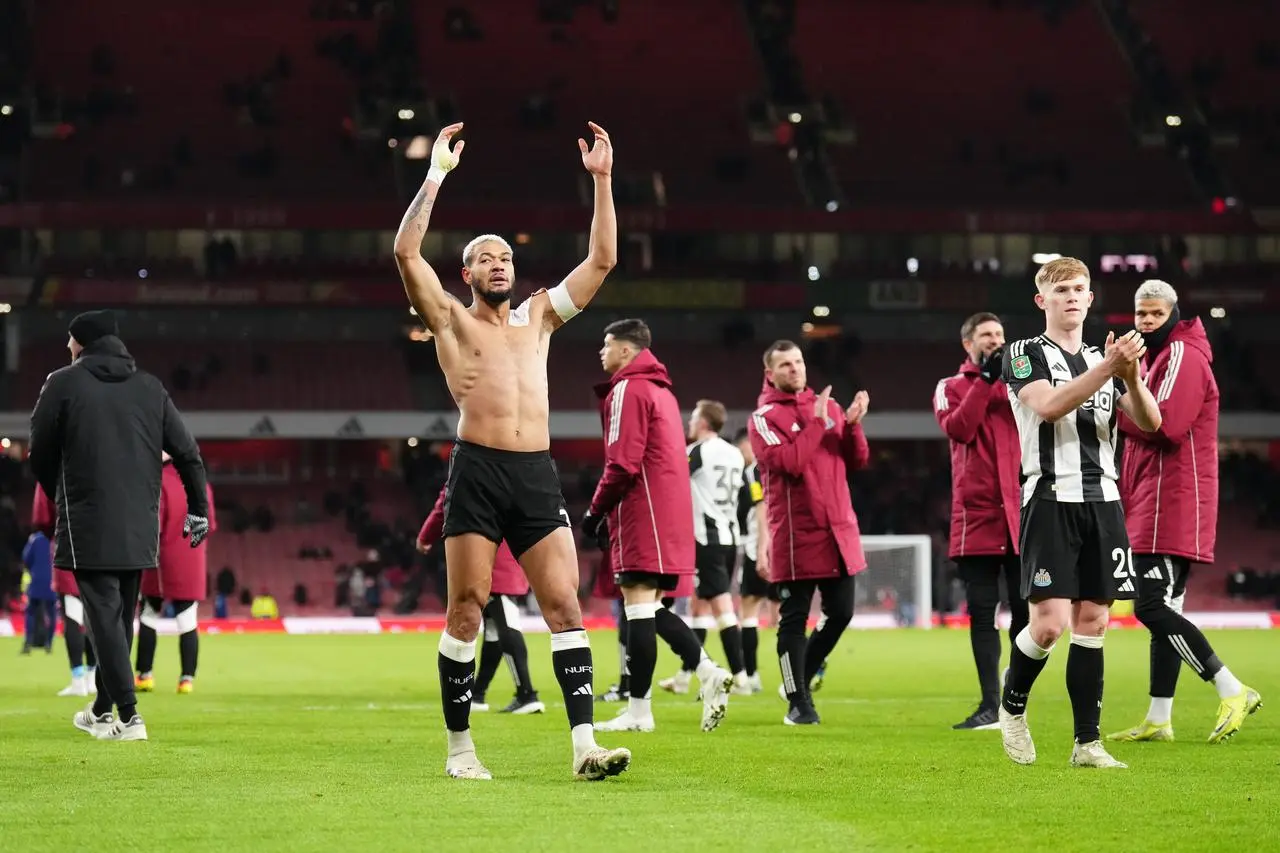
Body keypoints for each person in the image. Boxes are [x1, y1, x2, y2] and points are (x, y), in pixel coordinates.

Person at [393, 121, 629, 781]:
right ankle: (460, 748)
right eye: (486, 258)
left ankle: (585, 744)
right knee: (466, 607)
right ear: (467, 272)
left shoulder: (540, 316)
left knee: (564, 605)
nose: (500, 263)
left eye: (506, 257)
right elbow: (407, 254)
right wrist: (436, 173)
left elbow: (603, 261)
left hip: (535, 473)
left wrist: (603, 181)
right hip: (477, 469)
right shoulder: (450, 318)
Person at [997, 257, 1161, 768]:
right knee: (1047, 626)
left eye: (1080, 289)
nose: (1072, 296)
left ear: (1091, 299)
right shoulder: (1023, 353)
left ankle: (1087, 744)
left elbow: (1151, 421)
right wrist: (1109, 369)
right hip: (1049, 498)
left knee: (1093, 621)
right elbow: (1047, 407)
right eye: (1061, 289)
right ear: (1041, 301)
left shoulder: (1101, 357)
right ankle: (1012, 707)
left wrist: (1130, 377)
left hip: (1104, 501)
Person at [28, 310, 211, 742]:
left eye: (70, 341)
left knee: (104, 619)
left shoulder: (63, 383)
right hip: (139, 523)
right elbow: (188, 452)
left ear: (82, 343)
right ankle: (101, 710)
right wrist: (198, 508)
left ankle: (129, 717)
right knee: (119, 618)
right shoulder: (150, 388)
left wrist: (62, 490)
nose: (67, 349)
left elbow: (39, 450)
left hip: (88, 519)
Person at [1107, 280, 1261, 744]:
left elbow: (1167, 426)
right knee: (1165, 609)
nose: (1147, 322)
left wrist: (1115, 403)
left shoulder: (1180, 356)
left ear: (1174, 314)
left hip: (1169, 501)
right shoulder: (1158, 359)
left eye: (1155, 315)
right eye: (1141, 315)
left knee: (1149, 607)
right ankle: (1159, 718)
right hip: (1155, 498)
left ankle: (1231, 687)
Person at [581, 319, 735, 734]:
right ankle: (707, 672)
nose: (602, 352)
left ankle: (639, 711)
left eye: (607, 344)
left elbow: (623, 463)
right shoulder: (663, 391)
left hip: (641, 512)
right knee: (652, 609)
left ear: (626, 351)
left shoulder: (628, 389)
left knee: (636, 610)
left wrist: (595, 511)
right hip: (670, 515)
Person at [748, 340, 870, 725]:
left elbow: (857, 460)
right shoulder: (763, 419)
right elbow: (790, 462)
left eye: (798, 362)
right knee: (794, 618)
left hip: (838, 530)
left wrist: (851, 426)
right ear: (770, 373)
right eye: (785, 364)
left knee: (841, 613)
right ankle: (799, 703)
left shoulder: (829, 407)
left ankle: (798, 678)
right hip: (796, 534)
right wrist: (818, 422)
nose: (795, 369)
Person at [933, 311, 1028, 730]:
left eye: (1000, 335)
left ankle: (1015, 697)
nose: (995, 340)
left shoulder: (1022, 386)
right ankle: (990, 704)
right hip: (977, 518)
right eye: (987, 335)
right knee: (984, 613)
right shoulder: (950, 387)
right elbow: (960, 429)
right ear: (968, 344)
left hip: (1022, 513)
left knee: (1029, 614)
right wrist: (987, 381)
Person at [417, 482, 544, 715]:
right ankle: (477, 694)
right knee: (495, 628)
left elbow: (446, 498)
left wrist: (426, 535)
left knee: (506, 623)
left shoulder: (472, 462)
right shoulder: (514, 464)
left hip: (491, 555)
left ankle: (527, 694)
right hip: (513, 550)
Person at [135, 453, 218, 695]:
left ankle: (145, 675)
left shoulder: (157, 480)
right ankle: (186, 679)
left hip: (160, 560)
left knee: (149, 615)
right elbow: (209, 524)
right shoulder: (200, 481)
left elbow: (153, 523)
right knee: (188, 620)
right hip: (192, 560)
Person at [685, 399, 749, 692]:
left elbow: (675, 484)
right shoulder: (736, 454)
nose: (689, 423)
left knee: (722, 606)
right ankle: (685, 675)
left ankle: (740, 676)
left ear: (703, 423)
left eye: (693, 418)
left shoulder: (696, 453)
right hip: (730, 535)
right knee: (697, 604)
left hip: (706, 537)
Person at [32, 484, 97, 696]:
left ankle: (78, 680)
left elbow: (42, 517)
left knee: (73, 616)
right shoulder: (100, 458)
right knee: (95, 617)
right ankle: (92, 677)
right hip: (100, 549)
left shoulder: (52, 464)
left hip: (68, 547)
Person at [734, 427, 774, 693]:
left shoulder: (753, 472)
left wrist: (761, 550)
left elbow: (762, 511)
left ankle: (750, 676)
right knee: (781, 615)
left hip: (757, 548)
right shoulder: (770, 468)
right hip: (775, 545)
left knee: (747, 613)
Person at [21, 527, 57, 654]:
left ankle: (28, 642)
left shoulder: (35, 539)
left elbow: (26, 558)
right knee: (52, 612)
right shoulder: (57, 539)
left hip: (36, 581)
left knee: (30, 611)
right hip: (52, 581)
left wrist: (33, 570)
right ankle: (49, 643)